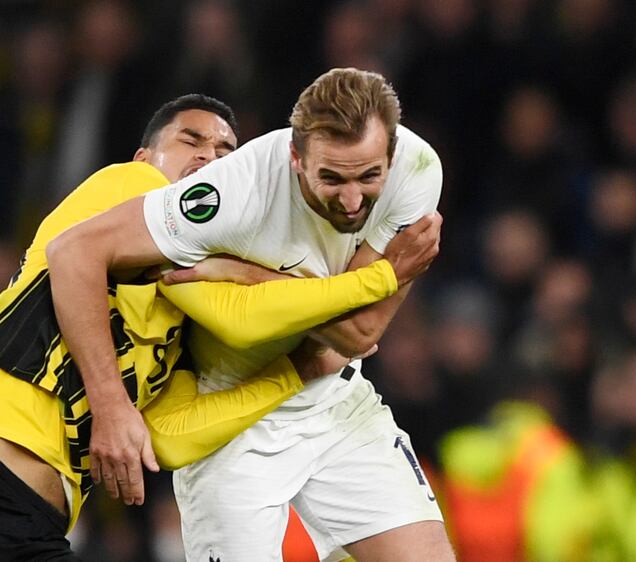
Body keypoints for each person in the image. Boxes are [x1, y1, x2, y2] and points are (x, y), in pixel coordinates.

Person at [0, 93, 439, 561]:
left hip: (38, 525)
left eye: (227, 153)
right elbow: (76, 258)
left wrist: (293, 372)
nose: (210, 159)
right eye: (191, 141)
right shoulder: (127, 188)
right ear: (144, 155)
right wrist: (379, 279)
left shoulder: (185, 316)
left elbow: (170, 437)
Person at [45, 67, 453, 561]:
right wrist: (110, 406)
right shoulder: (226, 194)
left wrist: (243, 272)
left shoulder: (416, 170)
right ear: (295, 157)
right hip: (229, 426)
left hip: (336, 404)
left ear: (391, 154)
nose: (351, 200)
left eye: (369, 176)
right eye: (331, 178)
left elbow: (359, 330)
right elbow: (73, 251)